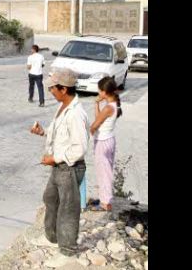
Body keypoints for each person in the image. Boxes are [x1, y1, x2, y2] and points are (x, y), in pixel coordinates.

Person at [28, 68, 89, 267]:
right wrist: (42, 132)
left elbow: (79, 148)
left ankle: (68, 251)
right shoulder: (63, 106)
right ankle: (52, 238)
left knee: (68, 209)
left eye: (53, 88)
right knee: (50, 198)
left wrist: (55, 159)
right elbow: (60, 136)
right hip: (59, 167)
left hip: (69, 167)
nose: (51, 91)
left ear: (63, 89)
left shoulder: (77, 114)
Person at [89, 76, 122, 212]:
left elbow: (95, 124)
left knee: (104, 172)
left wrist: (87, 133)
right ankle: (104, 199)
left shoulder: (109, 107)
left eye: (99, 91)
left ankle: (106, 203)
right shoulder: (112, 104)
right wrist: (96, 104)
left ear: (104, 92)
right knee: (104, 170)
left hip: (102, 142)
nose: (98, 93)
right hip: (108, 140)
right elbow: (99, 118)